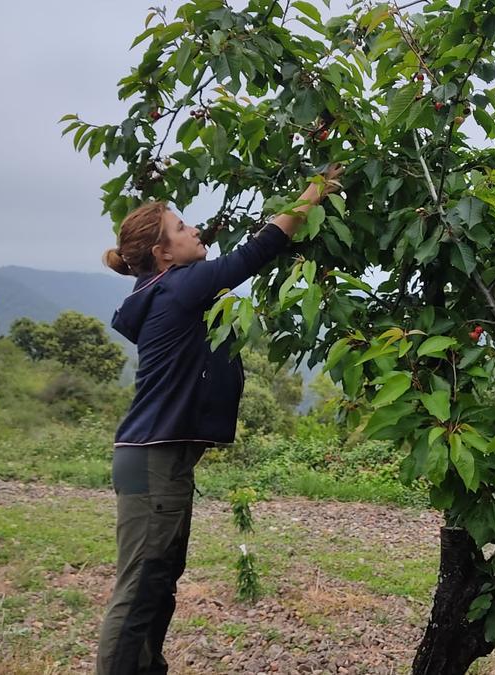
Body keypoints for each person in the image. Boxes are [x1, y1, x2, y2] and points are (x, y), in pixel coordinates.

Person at [95, 164, 342, 675]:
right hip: (153, 461)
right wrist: (311, 195)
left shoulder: (163, 291)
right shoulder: (178, 287)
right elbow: (256, 252)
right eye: (182, 229)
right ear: (162, 254)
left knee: (160, 580)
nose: (195, 232)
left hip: (156, 459)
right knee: (141, 585)